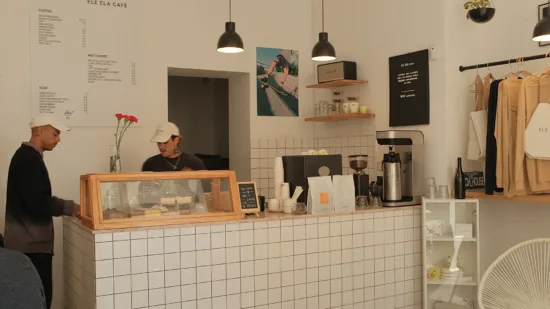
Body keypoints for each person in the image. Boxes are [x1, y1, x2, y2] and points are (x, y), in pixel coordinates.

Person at [3, 115, 80, 309]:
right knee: (39, 301)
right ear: (39, 131)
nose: (58, 139)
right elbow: (37, 201)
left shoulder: (26, 156)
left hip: (27, 245)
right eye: (55, 134)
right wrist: (71, 208)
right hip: (31, 248)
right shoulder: (29, 159)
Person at [142, 122, 206, 172]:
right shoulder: (150, 164)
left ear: (176, 140)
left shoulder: (194, 163)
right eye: (159, 143)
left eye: (165, 142)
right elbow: (143, 188)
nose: (161, 147)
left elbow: (206, 186)